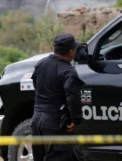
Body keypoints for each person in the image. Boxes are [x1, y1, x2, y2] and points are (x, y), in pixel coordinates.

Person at [31, 33, 85, 161]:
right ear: (71, 52)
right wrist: (75, 119)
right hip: (54, 122)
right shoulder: (68, 71)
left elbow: (35, 84)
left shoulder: (41, 63)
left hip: (36, 120)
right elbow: (73, 97)